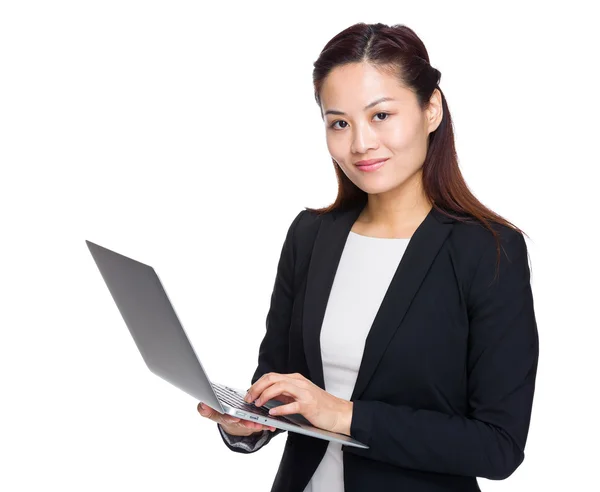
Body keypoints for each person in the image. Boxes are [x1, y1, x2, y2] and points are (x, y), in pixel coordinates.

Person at [197, 22, 539, 492]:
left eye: (381, 115)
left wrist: (343, 416)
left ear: (431, 108)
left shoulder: (488, 251)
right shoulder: (310, 236)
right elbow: (276, 384)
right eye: (339, 122)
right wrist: (243, 423)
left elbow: (498, 446)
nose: (360, 144)